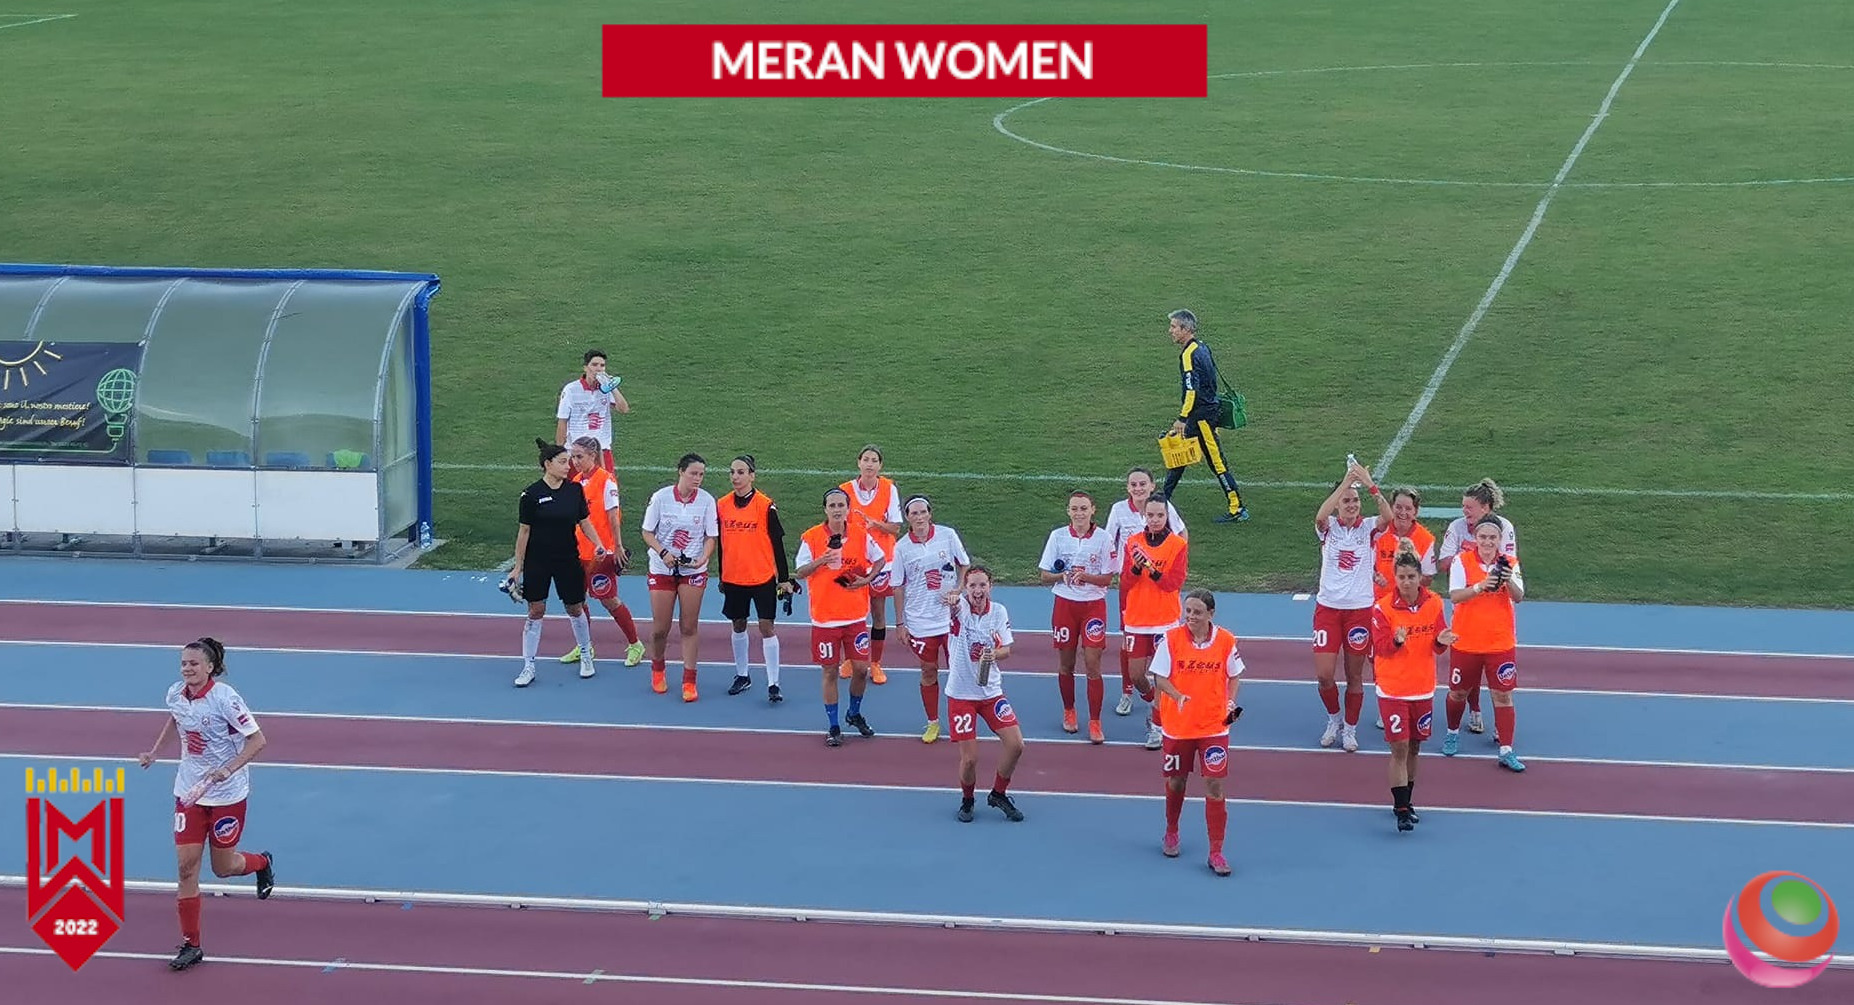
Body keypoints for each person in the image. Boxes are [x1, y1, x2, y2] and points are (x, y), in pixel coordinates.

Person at [136, 638, 275, 971]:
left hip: (227, 795)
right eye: (183, 663)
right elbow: (176, 719)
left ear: (210, 667)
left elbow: (258, 740)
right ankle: (191, 944)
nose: (187, 668)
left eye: (194, 663)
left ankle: (261, 862)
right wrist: (155, 752)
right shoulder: (175, 694)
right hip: (189, 793)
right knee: (186, 869)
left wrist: (228, 769)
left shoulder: (226, 699)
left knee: (223, 868)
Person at [1149, 589, 1245, 877]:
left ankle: (1216, 851)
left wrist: (1230, 704)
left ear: (1210, 614)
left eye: (1197, 612)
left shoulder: (1226, 640)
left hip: (1214, 726)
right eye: (1188, 611)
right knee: (1177, 781)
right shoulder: (1171, 639)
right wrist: (1177, 695)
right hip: (1178, 726)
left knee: (1215, 785)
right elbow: (1159, 678)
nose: (1190, 616)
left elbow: (1235, 674)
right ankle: (1171, 830)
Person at [508, 439, 607, 687]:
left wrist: (597, 543)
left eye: (569, 461)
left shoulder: (574, 491)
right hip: (538, 560)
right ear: (547, 464)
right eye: (563, 462)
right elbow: (524, 532)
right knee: (536, 610)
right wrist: (518, 567)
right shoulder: (531, 495)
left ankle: (586, 654)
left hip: (567, 558)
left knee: (575, 607)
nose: (568, 466)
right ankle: (529, 665)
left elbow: (584, 521)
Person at [1371, 542, 1457, 831]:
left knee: (1416, 747)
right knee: (1399, 748)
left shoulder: (1434, 603)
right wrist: (1396, 641)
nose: (1406, 582)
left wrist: (1441, 642)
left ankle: (1408, 800)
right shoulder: (1382, 608)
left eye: (1411, 576)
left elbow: (1438, 641)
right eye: (1401, 577)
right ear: (1395, 578)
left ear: (1420, 577)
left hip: (1422, 687)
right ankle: (1401, 809)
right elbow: (1381, 648)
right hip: (1393, 688)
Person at [793, 488, 887, 746]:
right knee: (830, 672)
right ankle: (834, 726)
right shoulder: (812, 537)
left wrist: (867, 579)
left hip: (855, 617)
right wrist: (821, 560)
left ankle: (854, 713)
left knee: (861, 669)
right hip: (825, 619)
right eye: (832, 505)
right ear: (825, 509)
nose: (837, 510)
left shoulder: (860, 534)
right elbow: (800, 571)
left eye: (841, 505)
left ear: (847, 508)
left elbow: (880, 559)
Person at [1311, 459, 1391, 752]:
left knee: (1355, 675)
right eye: (1346, 501)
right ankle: (1334, 719)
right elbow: (1320, 515)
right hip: (1328, 609)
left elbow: (1387, 516)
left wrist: (1368, 484)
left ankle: (1351, 728)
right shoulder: (1328, 528)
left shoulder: (1368, 528)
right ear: (1337, 504)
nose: (1352, 505)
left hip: (1359, 610)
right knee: (1324, 675)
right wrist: (1346, 482)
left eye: (1355, 501)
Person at [939, 564, 1026, 822]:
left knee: (1016, 745)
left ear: (991, 586)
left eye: (982, 585)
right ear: (965, 588)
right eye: (972, 585)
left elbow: (1006, 649)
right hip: (961, 695)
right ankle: (967, 800)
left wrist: (992, 654)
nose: (977, 590)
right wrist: (953, 599)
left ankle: (998, 793)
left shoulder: (998, 611)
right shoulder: (961, 609)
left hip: (991, 692)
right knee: (970, 759)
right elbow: (953, 605)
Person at [1444, 514, 1527, 770]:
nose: (1488, 542)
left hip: (1499, 642)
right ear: (1475, 538)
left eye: (1492, 537)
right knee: (1459, 692)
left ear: (1500, 539)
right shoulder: (1461, 560)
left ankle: (1506, 749)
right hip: (1466, 640)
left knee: (1503, 695)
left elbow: (1519, 596)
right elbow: (1455, 596)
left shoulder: (1509, 563)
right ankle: (1452, 733)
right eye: (1483, 537)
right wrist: (1480, 586)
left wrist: (1507, 579)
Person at [887, 495, 971, 742]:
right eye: (914, 513)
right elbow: (898, 586)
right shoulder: (902, 548)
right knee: (928, 670)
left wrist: (958, 589)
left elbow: (964, 565)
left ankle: (960, 719)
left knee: (959, 671)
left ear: (930, 513)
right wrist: (900, 623)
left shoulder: (947, 535)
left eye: (923, 512)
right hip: (920, 621)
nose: (920, 517)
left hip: (951, 618)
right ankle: (933, 722)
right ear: (907, 518)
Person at [557, 436, 645, 668]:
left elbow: (613, 516)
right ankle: (584, 645)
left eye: (579, 457)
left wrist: (617, 547)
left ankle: (635, 644)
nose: (575, 462)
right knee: (576, 600)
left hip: (601, 552)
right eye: (573, 457)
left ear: (593, 456)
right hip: (578, 552)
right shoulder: (576, 481)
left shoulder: (606, 481)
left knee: (608, 600)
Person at [1437, 479, 1517, 736]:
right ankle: (1474, 710)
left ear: (1486, 507)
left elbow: (1507, 563)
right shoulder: (1457, 527)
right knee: (1467, 670)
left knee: (1497, 679)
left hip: (1497, 608)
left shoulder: (1504, 527)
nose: (1464, 512)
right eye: (1463, 506)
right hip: (1467, 602)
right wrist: (1470, 560)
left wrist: (1488, 561)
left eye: (1469, 507)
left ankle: (1501, 728)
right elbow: (1444, 562)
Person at [1105, 467, 1186, 716]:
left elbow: (1180, 537)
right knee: (1129, 651)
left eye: (1143, 484)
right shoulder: (1121, 513)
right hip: (1134, 598)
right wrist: (1127, 568)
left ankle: (1160, 716)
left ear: (1152, 485)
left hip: (1163, 608)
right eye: (1134, 484)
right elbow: (1109, 542)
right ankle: (1128, 691)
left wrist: (1169, 562)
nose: (1138, 488)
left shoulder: (1167, 515)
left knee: (1164, 667)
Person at [640, 454, 720, 701]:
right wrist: (663, 553)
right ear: (681, 472)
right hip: (662, 568)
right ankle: (658, 669)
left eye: (701, 474)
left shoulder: (707, 501)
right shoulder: (661, 498)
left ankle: (689, 680)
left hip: (692, 570)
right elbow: (647, 532)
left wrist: (703, 558)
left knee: (689, 626)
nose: (698, 479)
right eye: (694, 473)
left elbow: (711, 537)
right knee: (660, 628)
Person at [1038, 490, 1115, 743]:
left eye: (1083, 508)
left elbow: (1108, 578)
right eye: (1074, 509)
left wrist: (1086, 577)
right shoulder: (1058, 536)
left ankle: (1095, 721)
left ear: (1093, 510)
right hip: (1065, 606)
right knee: (1066, 663)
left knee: (1093, 664)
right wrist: (1062, 576)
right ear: (1068, 511)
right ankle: (1069, 710)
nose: (1079, 513)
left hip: (1093, 607)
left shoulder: (1104, 538)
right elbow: (1044, 575)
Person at [717, 455, 794, 702]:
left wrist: (784, 579)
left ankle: (773, 683)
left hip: (762, 577)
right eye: (732, 472)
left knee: (766, 627)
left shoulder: (765, 506)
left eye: (741, 472)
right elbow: (721, 544)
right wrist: (722, 574)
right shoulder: (722, 505)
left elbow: (778, 544)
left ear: (752, 476)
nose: (735, 477)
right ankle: (742, 675)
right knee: (738, 624)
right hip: (733, 577)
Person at [1159, 310, 1247, 524]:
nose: (1170, 331)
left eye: (1174, 327)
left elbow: (1192, 390)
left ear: (1185, 329)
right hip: (1204, 414)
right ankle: (1161, 501)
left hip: (1201, 418)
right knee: (1180, 457)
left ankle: (1237, 508)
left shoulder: (1189, 354)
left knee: (1217, 462)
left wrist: (1182, 417)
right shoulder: (1202, 347)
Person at [1120, 495, 1191, 750]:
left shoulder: (1177, 545)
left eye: (1160, 515)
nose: (1155, 520)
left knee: (1162, 676)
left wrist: (1151, 569)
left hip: (1165, 621)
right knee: (1136, 674)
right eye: (1150, 515)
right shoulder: (1133, 542)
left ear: (1167, 516)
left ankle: (1157, 726)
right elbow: (1125, 582)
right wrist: (1136, 569)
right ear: (1144, 516)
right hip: (1136, 619)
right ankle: (1154, 702)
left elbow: (1173, 583)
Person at [840, 445, 903, 684]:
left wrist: (874, 524)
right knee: (850, 612)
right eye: (865, 459)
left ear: (880, 465)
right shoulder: (845, 490)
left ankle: (875, 663)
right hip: (853, 561)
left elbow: (895, 527)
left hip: (881, 562)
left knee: (878, 613)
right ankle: (850, 659)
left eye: (874, 460)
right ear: (858, 463)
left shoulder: (889, 489)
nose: (869, 464)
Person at [555, 349, 630, 470]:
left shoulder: (606, 389)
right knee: (576, 483)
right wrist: (560, 451)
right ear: (585, 367)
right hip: (577, 451)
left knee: (605, 482)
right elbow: (562, 421)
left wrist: (612, 388)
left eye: (602, 365)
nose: (599, 369)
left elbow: (623, 409)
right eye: (594, 365)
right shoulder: (571, 390)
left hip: (601, 450)